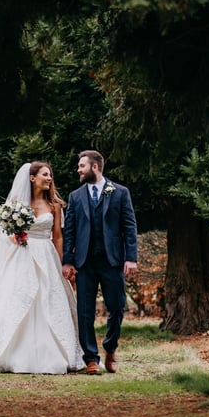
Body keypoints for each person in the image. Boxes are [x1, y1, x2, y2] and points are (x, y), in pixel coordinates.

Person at [0, 161, 84, 374]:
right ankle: (13, 353)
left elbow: (57, 237)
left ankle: (55, 353)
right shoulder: (16, 204)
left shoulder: (54, 205)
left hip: (46, 255)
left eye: (50, 175)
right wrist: (15, 236)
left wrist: (63, 262)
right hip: (22, 255)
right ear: (32, 178)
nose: (49, 178)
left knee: (49, 298)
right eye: (45, 174)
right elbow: (7, 233)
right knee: (19, 298)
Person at [62, 150, 138, 375]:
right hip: (85, 262)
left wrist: (131, 257)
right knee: (84, 311)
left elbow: (129, 226)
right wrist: (68, 260)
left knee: (117, 307)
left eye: (82, 166)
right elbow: (69, 232)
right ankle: (91, 359)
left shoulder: (120, 192)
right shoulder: (75, 197)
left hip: (112, 261)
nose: (78, 170)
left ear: (94, 167)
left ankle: (110, 348)